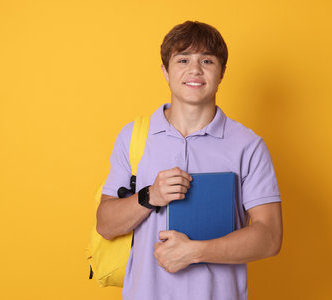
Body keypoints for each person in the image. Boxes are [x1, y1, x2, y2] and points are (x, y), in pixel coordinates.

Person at [96, 20, 283, 300]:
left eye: (207, 60)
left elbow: (269, 236)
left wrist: (196, 251)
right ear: (165, 71)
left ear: (221, 73)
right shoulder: (134, 136)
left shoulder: (248, 145)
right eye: (182, 59)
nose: (194, 70)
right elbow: (105, 224)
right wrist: (150, 195)